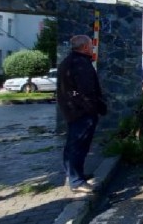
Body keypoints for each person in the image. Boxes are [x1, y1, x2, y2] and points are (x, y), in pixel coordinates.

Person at [57, 35, 107, 193]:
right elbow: (87, 90)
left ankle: (73, 175)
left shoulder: (68, 61)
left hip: (73, 110)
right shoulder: (80, 64)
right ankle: (76, 181)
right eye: (91, 46)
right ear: (85, 47)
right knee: (78, 145)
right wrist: (95, 108)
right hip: (81, 112)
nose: (92, 48)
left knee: (73, 144)